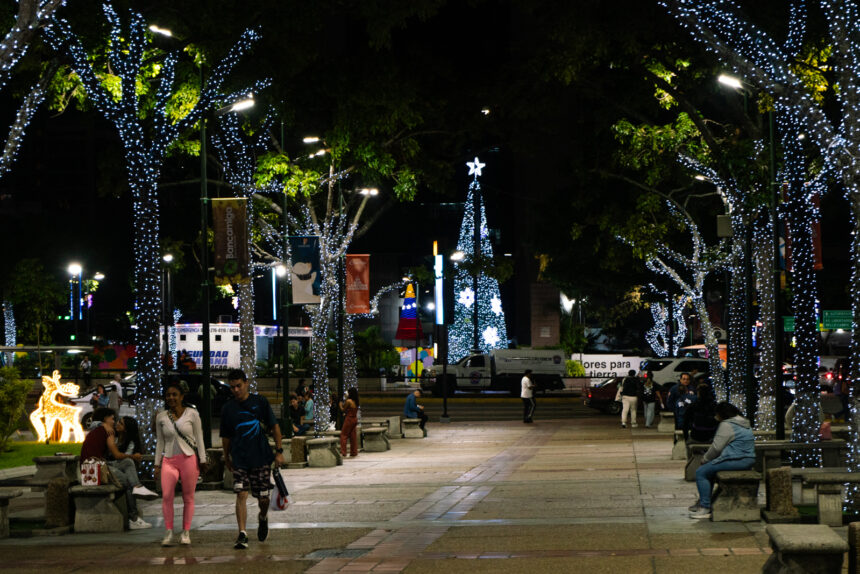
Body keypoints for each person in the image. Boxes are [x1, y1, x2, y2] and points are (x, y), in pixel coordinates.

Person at [220, 369, 285, 550]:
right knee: (241, 493)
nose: (236, 390)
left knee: (263, 498)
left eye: (239, 386)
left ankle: (262, 517)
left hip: (261, 457)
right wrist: (226, 457)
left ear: (246, 383)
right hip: (239, 459)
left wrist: (279, 451)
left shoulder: (260, 402)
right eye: (232, 387)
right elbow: (225, 436)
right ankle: (242, 533)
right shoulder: (228, 409)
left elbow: (274, 426)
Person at [80, 408, 157, 530]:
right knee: (127, 481)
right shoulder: (107, 430)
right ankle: (133, 518)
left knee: (127, 462)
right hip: (94, 470)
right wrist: (133, 456)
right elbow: (116, 455)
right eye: (112, 418)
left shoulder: (99, 428)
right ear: (105, 419)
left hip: (95, 467)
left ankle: (137, 487)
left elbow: (94, 424)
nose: (114, 422)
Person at [155, 381, 209, 547]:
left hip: (189, 459)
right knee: (166, 496)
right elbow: (160, 442)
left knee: (188, 497)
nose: (171, 398)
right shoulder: (161, 416)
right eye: (168, 395)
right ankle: (169, 531)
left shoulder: (192, 414)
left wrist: (202, 459)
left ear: (182, 396)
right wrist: (157, 464)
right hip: (169, 460)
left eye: (174, 395)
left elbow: (199, 438)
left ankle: (186, 532)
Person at [689, 401, 755, 519]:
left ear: (722, 414)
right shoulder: (744, 422)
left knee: (701, 472)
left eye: (717, 414)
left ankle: (705, 507)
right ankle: (704, 502)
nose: (715, 417)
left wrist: (705, 459)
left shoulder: (727, 425)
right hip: (748, 459)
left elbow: (716, 447)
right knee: (710, 471)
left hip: (735, 459)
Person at [340, 388, 359, 457]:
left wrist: (340, 404)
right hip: (355, 419)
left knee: (343, 435)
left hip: (349, 419)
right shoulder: (356, 401)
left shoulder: (348, 401)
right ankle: (354, 452)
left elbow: (343, 409)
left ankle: (343, 452)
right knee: (353, 436)